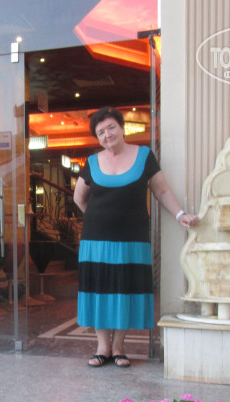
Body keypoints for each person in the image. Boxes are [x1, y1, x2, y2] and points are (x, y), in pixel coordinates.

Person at [73, 107, 198, 368]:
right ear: (97, 138)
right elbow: (79, 198)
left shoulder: (144, 156)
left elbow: (162, 191)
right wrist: (100, 219)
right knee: (99, 289)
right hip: (96, 240)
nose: (107, 134)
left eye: (111, 127)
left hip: (132, 238)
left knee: (125, 289)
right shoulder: (92, 162)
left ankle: (119, 347)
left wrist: (180, 215)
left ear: (122, 128)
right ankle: (102, 347)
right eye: (100, 132)